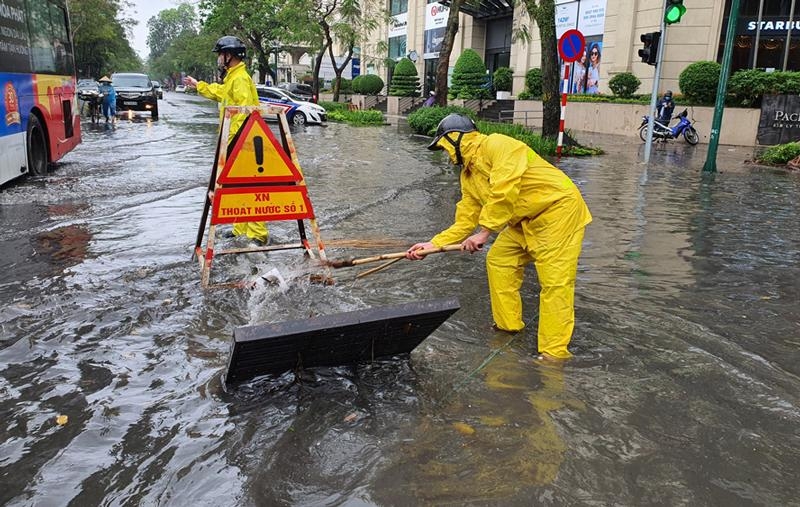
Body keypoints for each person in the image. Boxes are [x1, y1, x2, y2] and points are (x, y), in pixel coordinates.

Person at [406, 113, 592, 360]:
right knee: (499, 261)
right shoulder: (468, 175)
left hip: (557, 212)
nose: (446, 156)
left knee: (555, 284)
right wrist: (432, 245)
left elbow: (505, 190)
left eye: (443, 147)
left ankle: (553, 354)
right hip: (522, 222)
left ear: (454, 139)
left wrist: (485, 232)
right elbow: (465, 219)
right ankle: (508, 326)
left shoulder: (498, 145)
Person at [184, 36, 268, 245]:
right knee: (237, 187)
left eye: (221, 55)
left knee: (249, 189)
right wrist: (199, 85)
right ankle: (240, 228)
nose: (219, 59)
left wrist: (230, 142)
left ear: (229, 55)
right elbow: (221, 93)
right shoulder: (233, 77)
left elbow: (243, 110)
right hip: (237, 139)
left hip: (243, 141)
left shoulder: (239, 79)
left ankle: (258, 234)